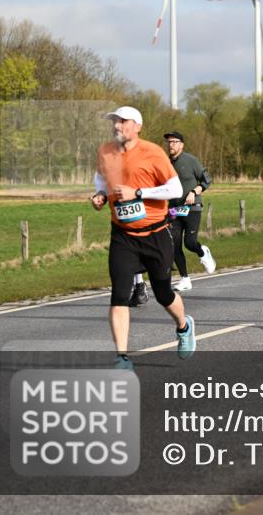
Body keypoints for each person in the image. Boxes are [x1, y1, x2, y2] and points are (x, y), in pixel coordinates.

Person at [91, 106, 194, 370]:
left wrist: (138, 193)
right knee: (119, 294)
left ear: (137, 126)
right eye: (115, 121)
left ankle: (184, 326)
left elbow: (175, 189)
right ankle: (122, 357)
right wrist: (100, 195)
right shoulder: (105, 151)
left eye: (123, 121)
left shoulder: (153, 152)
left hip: (155, 234)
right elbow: (101, 178)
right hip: (123, 236)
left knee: (163, 294)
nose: (117, 126)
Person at [162, 131, 216, 293]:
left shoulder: (191, 161)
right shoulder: (165, 163)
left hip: (192, 208)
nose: (171, 144)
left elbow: (206, 180)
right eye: (169, 142)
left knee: (190, 243)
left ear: (181, 145)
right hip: (173, 209)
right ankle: (185, 279)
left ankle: (203, 252)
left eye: (174, 141)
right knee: (174, 244)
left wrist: (194, 192)